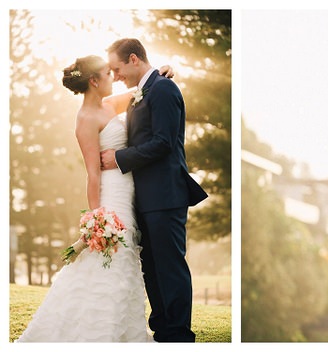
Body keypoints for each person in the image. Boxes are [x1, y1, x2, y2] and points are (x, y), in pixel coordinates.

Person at [16, 55, 174, 342]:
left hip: (130, 189)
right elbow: (92, 174)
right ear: (94, 81)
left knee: (126, 257)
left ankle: (126, 331)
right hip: (110, 195)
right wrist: (97, 218)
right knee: (114, 255)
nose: (113, 76)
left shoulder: (110, 104)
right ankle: (100, 330)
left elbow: (146, 88)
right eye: (107, 73)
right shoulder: (84, 120)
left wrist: (164, 70)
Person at [100, 38, 208, 343]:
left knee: (170, 266)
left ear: (133, 59)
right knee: (152, 266)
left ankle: (177, 334)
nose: (115, 75)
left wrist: (119, 158)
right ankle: (163, 330)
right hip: (144, 198)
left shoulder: (164, 89)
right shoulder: (146, 89)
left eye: (117, 68)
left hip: (165, 195)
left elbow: (163, 142)